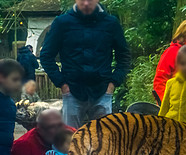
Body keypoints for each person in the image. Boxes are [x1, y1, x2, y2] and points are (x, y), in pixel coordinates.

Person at [40, 0, 130, 129]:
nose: (86, 3)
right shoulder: (62, 23)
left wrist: (113, 83)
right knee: (70, 140)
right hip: (72, 91)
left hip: (102, 90)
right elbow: (46, 55)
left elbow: (124, 56)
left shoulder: (111, 23)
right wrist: (61, 83)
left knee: (103, 140)